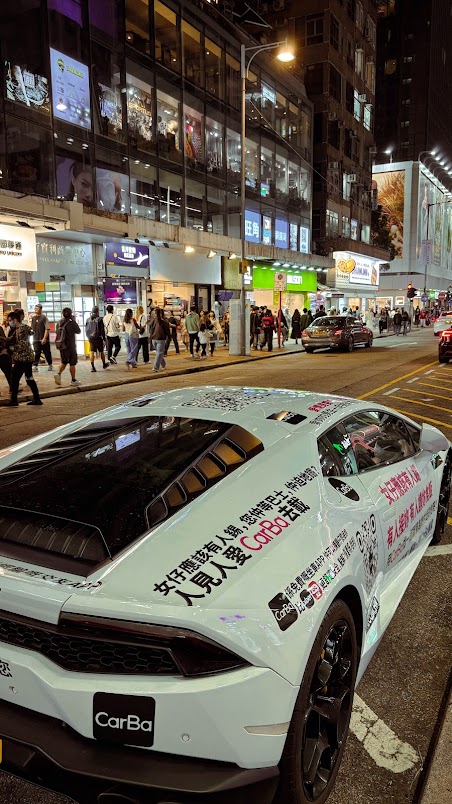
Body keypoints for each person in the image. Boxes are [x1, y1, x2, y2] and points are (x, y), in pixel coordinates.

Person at [7, 310, 42, 406]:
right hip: (29, 358)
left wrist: (11, 348)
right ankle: (37, 399)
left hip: (22, 358)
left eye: (10, 320)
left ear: (15, 320)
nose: (9, 322)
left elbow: (22, 344)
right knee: (29, 377)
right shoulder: (23, 327)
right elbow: (11, 339)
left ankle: (14, 400)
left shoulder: (20, 329)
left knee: (14, 378)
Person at [53, 308, 81, 387]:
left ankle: (58, 374)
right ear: (70, 314)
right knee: (72, 363)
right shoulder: (72, 323)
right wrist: (74, 321)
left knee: (64, 361)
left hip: (62, 346)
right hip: (70, 346)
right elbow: (78, 331)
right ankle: (73, 380)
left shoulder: (59, 323)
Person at [85, 306, 109, 372]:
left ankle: (93, 367)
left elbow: (86, 329)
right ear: (97, 311)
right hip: (98, 338)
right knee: (101, 351)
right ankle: (104, 364)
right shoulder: (100, 319)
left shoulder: (88, 319)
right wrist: (104, 339)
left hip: (91, 338)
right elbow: (102, 330)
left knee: (92, 352)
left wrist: (89, 336)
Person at [31, 303, 53, 372]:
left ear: (41, 309)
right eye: (35, 309)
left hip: (43, 339)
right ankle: (35, 366)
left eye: (37, 309)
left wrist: (45, 338)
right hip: (36, 339)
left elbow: (47, 328)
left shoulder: (44, 318)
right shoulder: (33, 318)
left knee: (47, 352)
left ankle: (50, 364)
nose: (35, 310)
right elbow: (31, 328)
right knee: (37, 353)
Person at [149, 307, 170, 371]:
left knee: (159, 353)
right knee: (159, 353)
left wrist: (151, 336)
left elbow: (150, 329)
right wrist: (169, 337)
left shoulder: (152, 320)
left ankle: (163, 365)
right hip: (161, 339)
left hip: (153, 339)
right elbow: (167, 330)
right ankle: (155, 367)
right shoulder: (164, 321)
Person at [0, 323, 12, 395]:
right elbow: (4, 340)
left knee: (9, 373)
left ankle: (13, 389)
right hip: (2, 354)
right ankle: (13, 389)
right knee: (9, 373)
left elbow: (3, 340)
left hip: (3, 354)